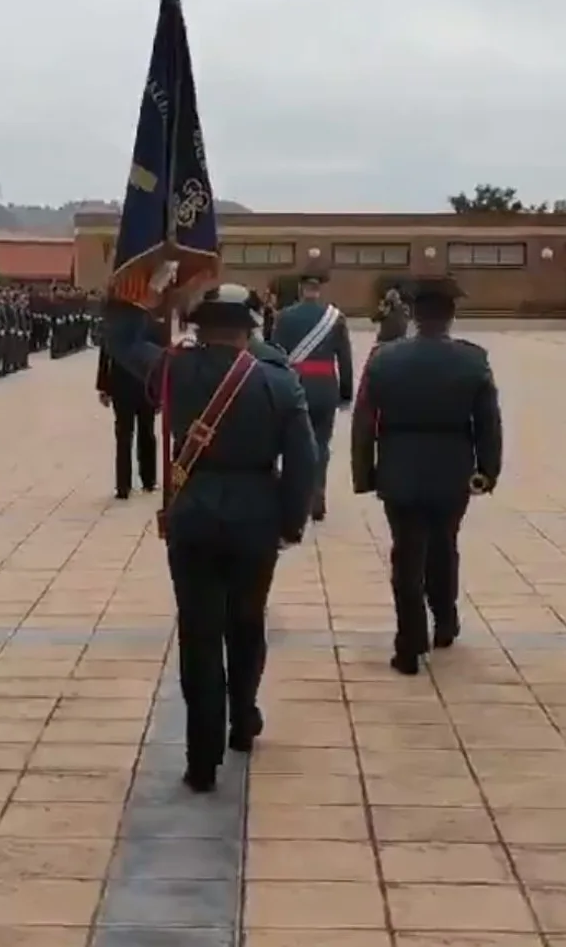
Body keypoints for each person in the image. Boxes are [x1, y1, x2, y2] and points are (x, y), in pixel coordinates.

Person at [103, 284, 317, 793]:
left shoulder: (175, 372)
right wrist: (290, 523)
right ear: (248, 331)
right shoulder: (279, 382)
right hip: (257, 515)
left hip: (194, 511)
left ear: (198, 330)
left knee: (199, 633)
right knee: (246, 621)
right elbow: (304, 460)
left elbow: (121, 342)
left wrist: (139, 289)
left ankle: (202, 759)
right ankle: (242, 720)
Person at [350, 276, 503, 677]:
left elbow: (364, 422)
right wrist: (487, 471)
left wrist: (364, 473)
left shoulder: (384, 359)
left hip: (399, 465)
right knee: (444, 545)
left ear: (415, 315)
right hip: (453, 467)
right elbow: (489, 423)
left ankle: (409, 643)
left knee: (406, 554)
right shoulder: (473, 359)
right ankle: (445, 621)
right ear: (452, 316)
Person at [269, 271, 353, 522]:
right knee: (321, 443)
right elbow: (345, 359)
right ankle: (317, 497)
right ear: (318, 290)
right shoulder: (335, 318)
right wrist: (345, 393)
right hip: (325, 386)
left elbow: (274, 354)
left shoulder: (284, 317)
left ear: (300, 290)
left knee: (292, 444)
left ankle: (295, 498)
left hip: (293, 386)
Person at [95, 317, 160, 499]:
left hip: (143, 386)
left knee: (144, 433)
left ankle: (147, 479)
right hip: (126, 386)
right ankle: (124, 484)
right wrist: (104, 387)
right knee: (126, 434)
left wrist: (159, 391)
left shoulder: (151, 326)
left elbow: (159, 359)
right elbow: (105, 357)